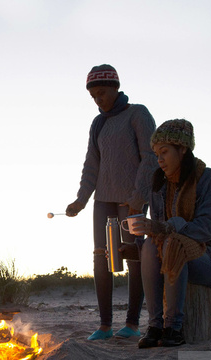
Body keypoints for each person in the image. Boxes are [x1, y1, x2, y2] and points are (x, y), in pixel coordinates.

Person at [65, 64, 158, 341]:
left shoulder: (137, 114)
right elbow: (92, 164)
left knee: (134, 258)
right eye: (93, 96)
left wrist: (138, 199)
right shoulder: (98, 123)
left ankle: (132, 323)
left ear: (116, 88)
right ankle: (105, 325)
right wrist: (80, 200)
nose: (98, 100)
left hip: (131, 201)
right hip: (102, 200)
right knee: (101, 258)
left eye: (102, 93)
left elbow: (150, 159)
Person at [131, 119, 211, 348]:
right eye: (156, 153)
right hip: (169, 256)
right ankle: (155, 325)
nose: (159, 159)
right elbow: (156, 235)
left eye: (164, 152)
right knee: (149, 245)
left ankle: (173, 327)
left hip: (209, 261)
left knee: (172, 243)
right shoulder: (159, 186)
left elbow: (208, 228)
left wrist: (169, 227)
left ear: (183, 149)